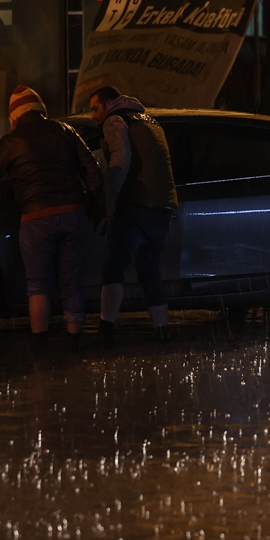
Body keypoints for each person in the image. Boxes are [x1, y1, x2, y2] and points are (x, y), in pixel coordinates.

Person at [0, 85, 103, 352]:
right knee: (71, 282)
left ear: (14, 117)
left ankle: (40, 347)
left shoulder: (12, 141)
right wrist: (94, 209)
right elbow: (94, 174)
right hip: (72, 214)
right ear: (42, 111)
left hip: (36, 217)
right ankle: (73, 343)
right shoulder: (66, 132)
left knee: (38, 285)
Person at [89, 85, 178, 348]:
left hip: (137, 204)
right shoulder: (150, 122)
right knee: (149, 269)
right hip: (162, 206)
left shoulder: (115, 121)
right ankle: (162, 331)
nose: (93, 116)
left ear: (108, 104)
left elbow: (121, 157)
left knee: (114, 265)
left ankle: (105, 330)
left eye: (95, 108)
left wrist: (110, 197)